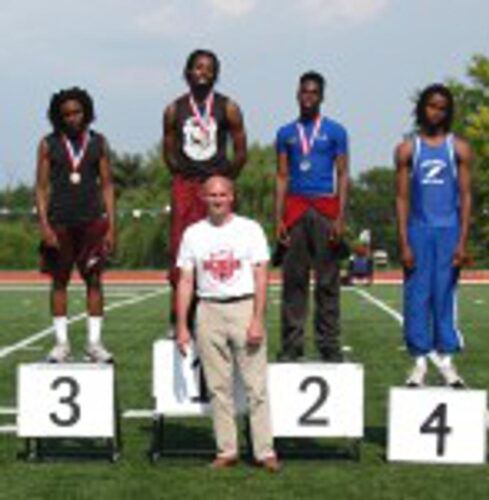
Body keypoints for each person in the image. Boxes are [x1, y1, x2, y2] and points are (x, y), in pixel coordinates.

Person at [176, 175, 280, 472]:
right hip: (208, 309)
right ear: (203, 198)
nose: (218, 199)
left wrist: (257, 319)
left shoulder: (250, 229)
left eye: (222, 194)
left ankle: (264, 451)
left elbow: (262, 275)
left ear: (232, 196)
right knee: (218, 388)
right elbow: (186, 280)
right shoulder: (193, 233)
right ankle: (227, 450)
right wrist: (182, 325)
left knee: (256, 386)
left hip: (243, 307)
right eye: (212, 195)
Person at [163, 49, 247, 329]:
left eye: (209, 68)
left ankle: (220, 315)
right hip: (186, 187)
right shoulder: (174, 109)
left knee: (219, 248)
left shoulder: (229, 107)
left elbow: (241, 150)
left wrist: (224, 178)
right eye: (197, 67)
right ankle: (179, 318)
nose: (203, 72)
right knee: (181, 249)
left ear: (216, 74)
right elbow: (168, 151)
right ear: (187, 72)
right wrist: (183, 176)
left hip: (216, 188)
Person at [395, 83, 472, 388]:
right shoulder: (407, 149)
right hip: (418, 230)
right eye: (431, 106)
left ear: (448, 111)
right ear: (421, 109)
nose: (436, 112)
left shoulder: (460, 148)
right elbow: (401, 198)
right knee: (417, 296)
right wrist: (404, 242)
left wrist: (462, 241)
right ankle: (418, 364)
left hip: (449, 230)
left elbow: (466, 197)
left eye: (442, 107)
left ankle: (447, 362)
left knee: (444, 295)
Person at [35, 87, 115, 363]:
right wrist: (44, 225)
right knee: (59, 282)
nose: (72, 118)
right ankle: (61, 344)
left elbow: (107, 185)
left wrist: (111, 225)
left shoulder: (99, 142)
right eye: (66, 113)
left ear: (86, 112)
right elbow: (41, 187)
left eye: (77, 112)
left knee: (94, 280)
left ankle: (94, 343)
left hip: (92, 222)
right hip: (60, 222)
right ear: (58, 116)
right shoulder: (48, 143)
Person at [275, 71, 349, 362]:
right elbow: (281, 176)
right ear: (297, 94)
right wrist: (278, 217)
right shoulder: (285, 133)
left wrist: (341, 217)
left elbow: (342, 174)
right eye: (304, 92)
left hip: (324, 209)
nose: (308, 97)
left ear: (322, 97)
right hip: (295, 209)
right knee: (293, 280)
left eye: (314, 93)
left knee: (328, 281)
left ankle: (328, 343)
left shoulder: (336, 131)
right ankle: (292, 344)